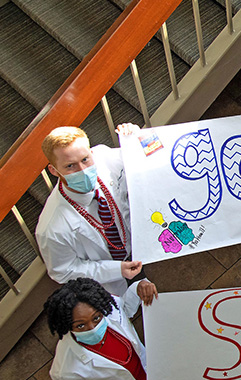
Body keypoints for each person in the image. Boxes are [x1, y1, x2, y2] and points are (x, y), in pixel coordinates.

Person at [36, 124, 154, 298]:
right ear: (54, 170)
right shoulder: (51, 228)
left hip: (136, 243)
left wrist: (138, 137)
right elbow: (64, 271)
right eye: (70, 166)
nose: (83, 171)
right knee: (129, 307)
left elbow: (146, 156)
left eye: (85, 159)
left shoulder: (104, 158)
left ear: (91, 152)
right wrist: (116, 269)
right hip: (109, 273)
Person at [46, 277, 156, 380]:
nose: (93, 328)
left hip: (153, 373)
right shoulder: (64, 372)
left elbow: (124, 309)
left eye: (96, 318)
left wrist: (138, 288)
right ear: (66, 326)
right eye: (80, 326)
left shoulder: (108, 308)